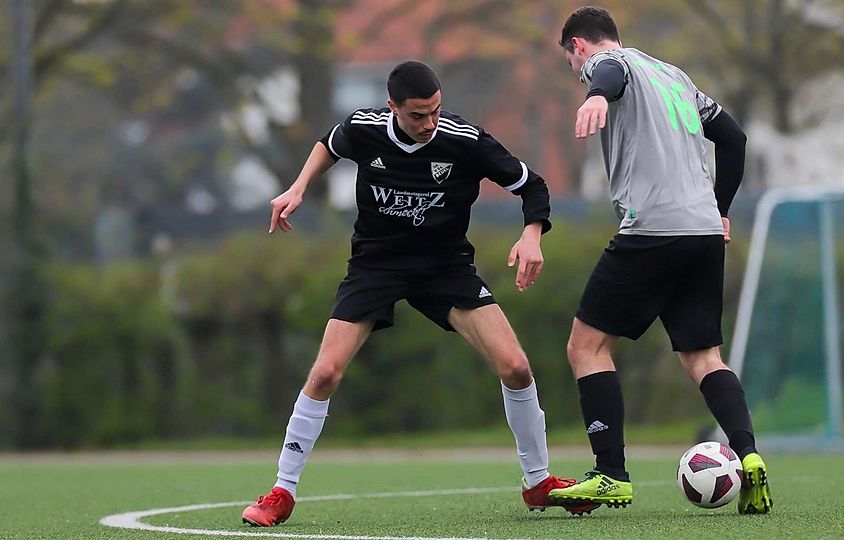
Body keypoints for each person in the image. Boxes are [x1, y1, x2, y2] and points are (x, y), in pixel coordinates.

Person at [241, 60, 597, 527]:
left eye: (435, 111)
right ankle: (281, 491)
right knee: (326, 371)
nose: (429, 123)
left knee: (516, 367)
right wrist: (299, 187)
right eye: (417, 115)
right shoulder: (365, 128)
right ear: (392, 108)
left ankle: (538, 481)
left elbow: (532, 185)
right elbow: (329, 143)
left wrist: (532, 235)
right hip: (376, 266)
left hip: (445, 269)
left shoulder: (464, 140)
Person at [547, 6, 773, 515]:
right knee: (704, 358)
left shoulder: (609, 63)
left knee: (586, 347)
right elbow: (733, 139)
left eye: (572, 61)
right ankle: (750, 457)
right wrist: (720, 210)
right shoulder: (675, 75)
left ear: (578, 46)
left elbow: (608, 71)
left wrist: (597, 93)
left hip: (652, 227)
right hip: (701, 231)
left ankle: (610, 474)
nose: (577, 70)